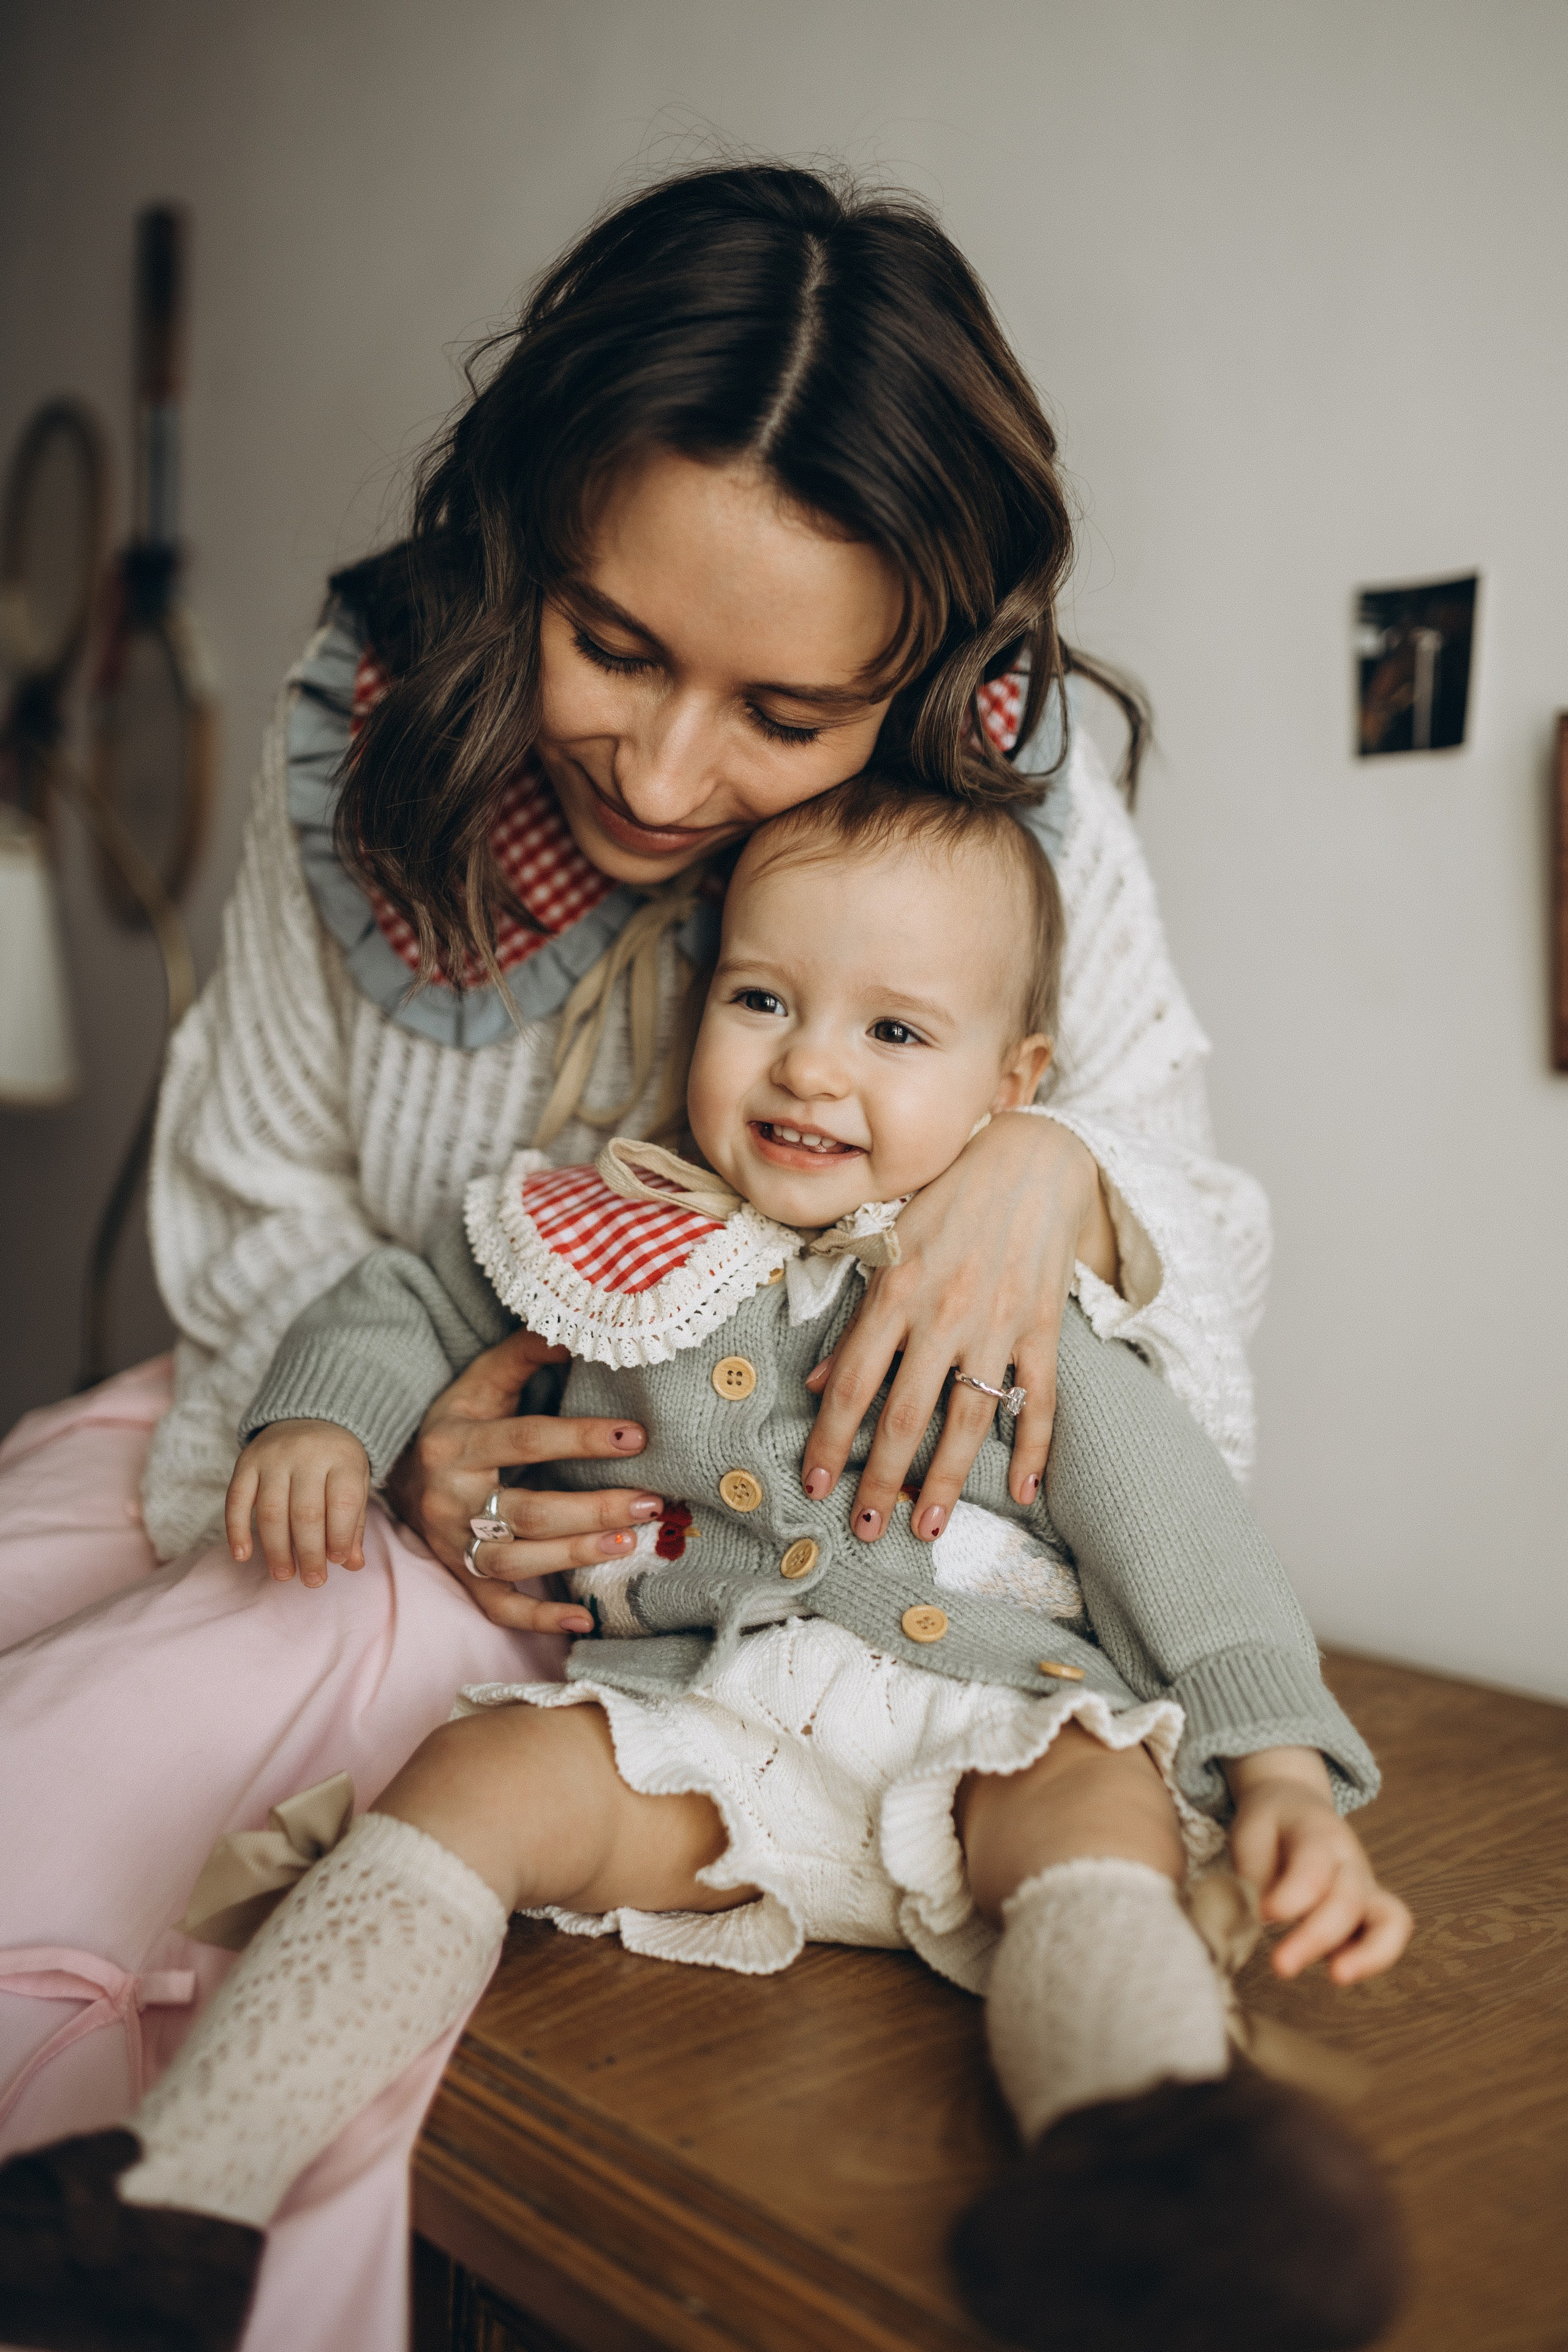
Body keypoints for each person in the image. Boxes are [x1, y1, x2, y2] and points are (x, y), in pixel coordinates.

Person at [0, 163, 1268, 2352]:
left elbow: (1190, 1318)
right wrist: (401, 1438)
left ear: (933, 678)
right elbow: (256, 1199)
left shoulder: (1004, 815)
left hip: (686, 1608)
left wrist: (1056, 1168)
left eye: (787, 717)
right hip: (342, 1436)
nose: (673, 772)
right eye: (613, 646)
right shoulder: (379, 730)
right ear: (523, 546)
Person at [0, 777, 1410, 2352]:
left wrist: (1277, 1771)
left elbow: (1188, 1542)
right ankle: (184, 2193)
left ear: (1012, 1083)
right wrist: (325, 1424)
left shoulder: (1001, 1296)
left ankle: (1155, 2180)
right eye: (761, 998)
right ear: (698, 1010)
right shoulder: (609, 1226)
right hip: (706, 1728)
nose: (809, 1062)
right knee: (469, 1779)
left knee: (1101, 1818)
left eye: (894, 1031)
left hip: (989, 1722)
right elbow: (395, 1299)